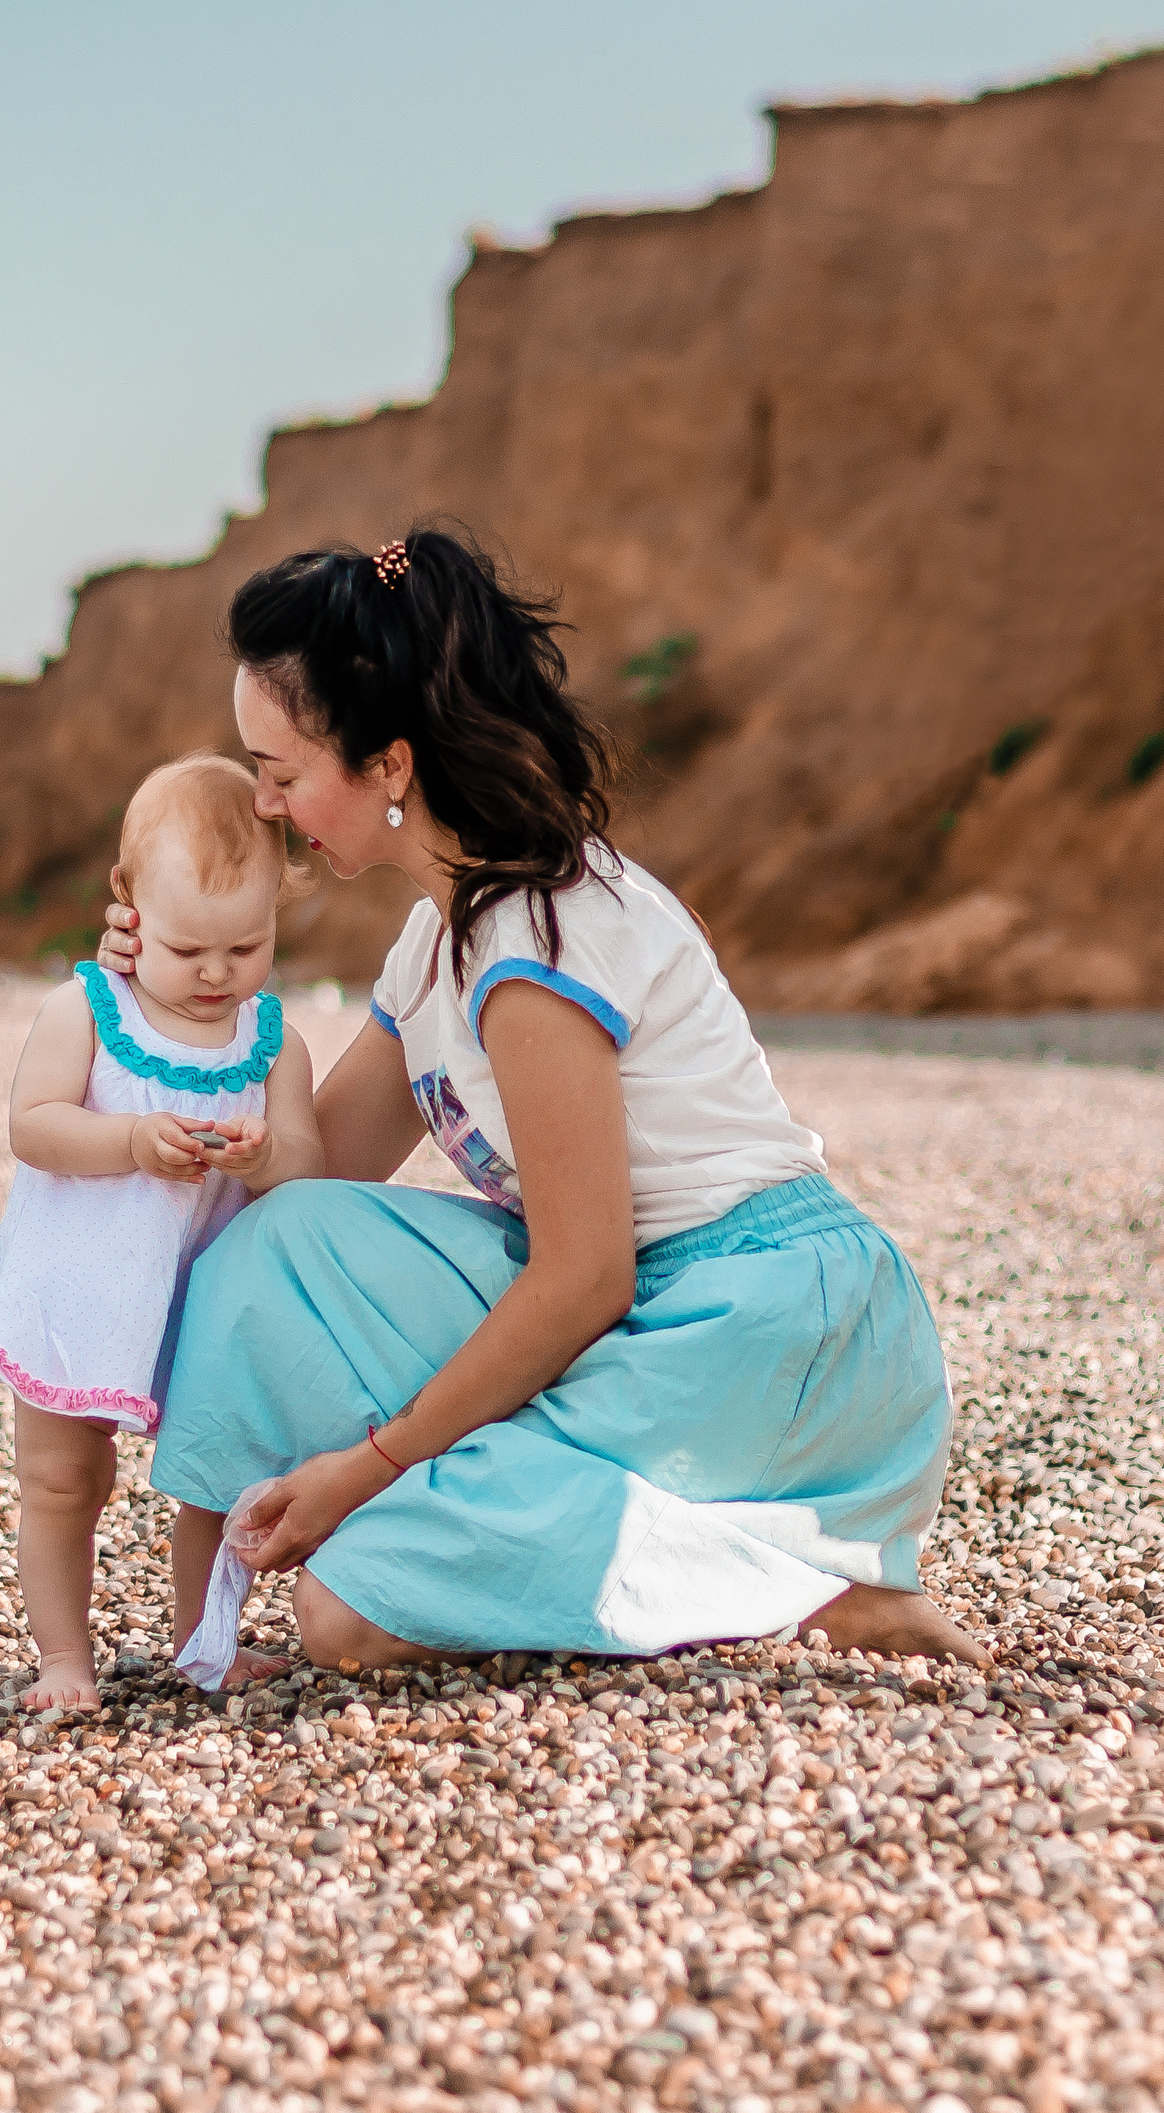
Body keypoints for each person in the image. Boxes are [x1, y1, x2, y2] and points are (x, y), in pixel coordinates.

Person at [106, 528, 986, 1672]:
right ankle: (653, 1532)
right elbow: (300, 1178)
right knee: (279, 1242)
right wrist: (161, 999)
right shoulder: (435, 944)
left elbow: (584, 1274)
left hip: (767, 1323)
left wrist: (376, 1461)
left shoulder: (536, 936)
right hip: (654, 1306)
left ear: (389, 766)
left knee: (347, 1614)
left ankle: (810, 1590)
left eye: (278, 772)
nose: (268, 806)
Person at [0, 755, 326, 1711]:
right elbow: (31, 1124)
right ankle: (63, 1661)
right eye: (189, 949)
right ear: (128, 904)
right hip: (84, 1285)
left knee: (211, 1475)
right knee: (60, 1478)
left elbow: (307, 1163)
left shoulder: (274, 1040)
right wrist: (128, 1139)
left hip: (200, 1293)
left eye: (246, 949)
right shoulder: (86, 1009)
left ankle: (205, 1640)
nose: (216, 975)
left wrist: (260, 1159)